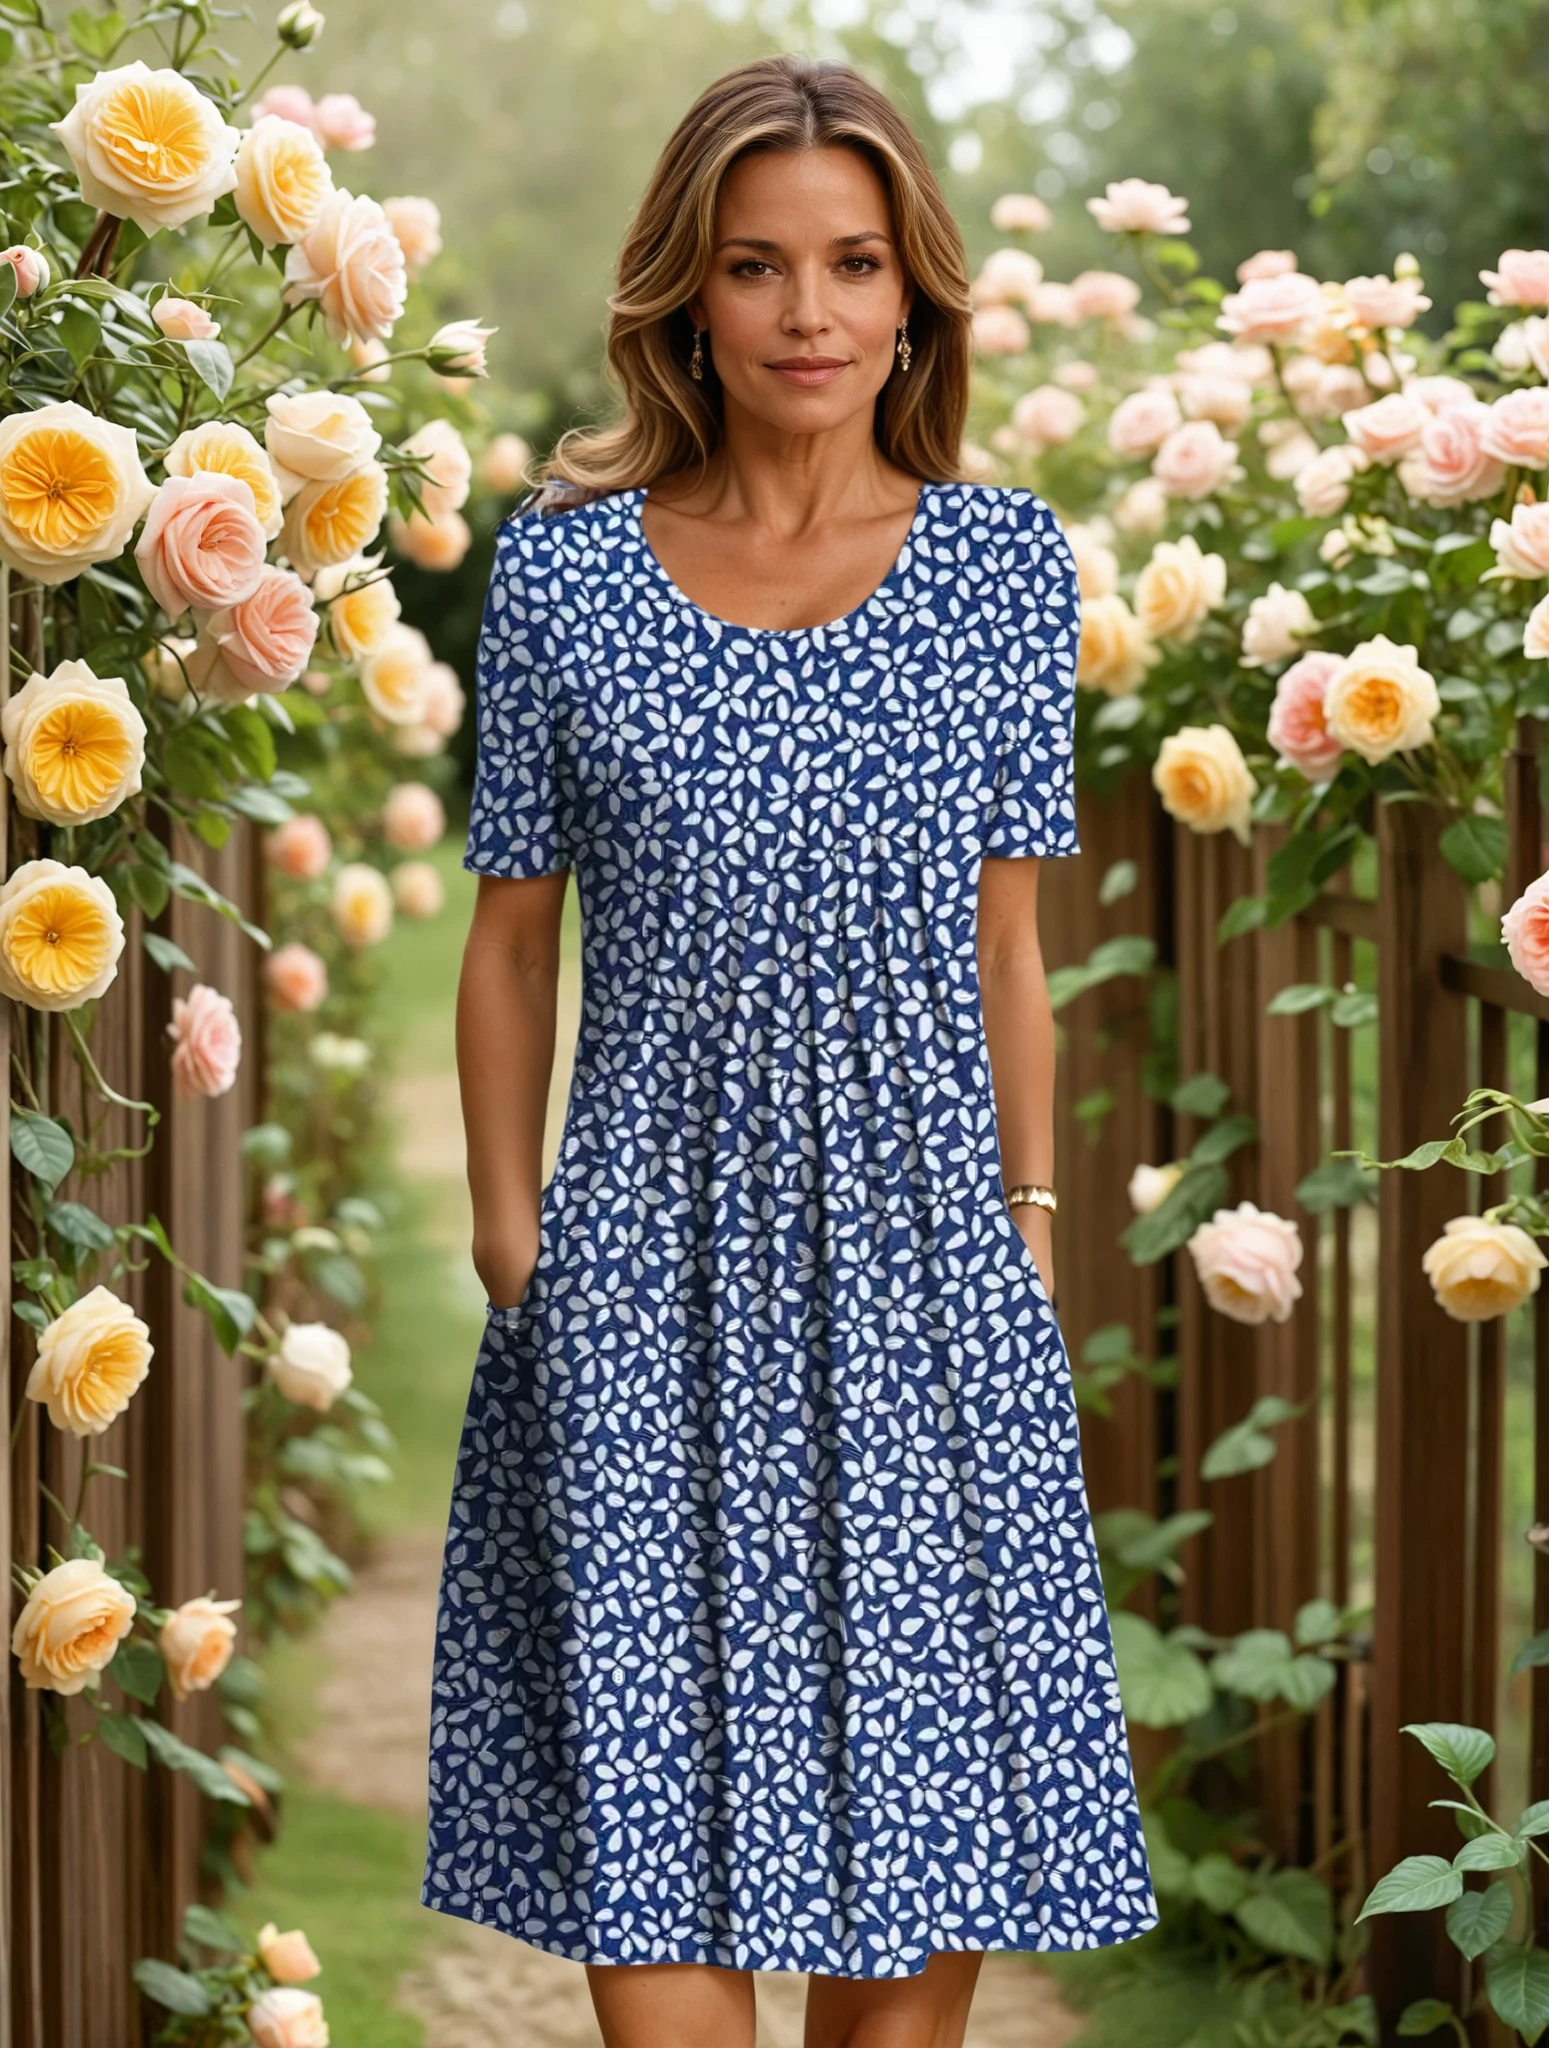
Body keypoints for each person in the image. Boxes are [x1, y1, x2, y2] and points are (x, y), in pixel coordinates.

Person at [421, 50, 1156, 2048]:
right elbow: (507, 946)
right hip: (639, 1268)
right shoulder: (565, 572)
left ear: (911, 289)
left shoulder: (1003, 568)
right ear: (692, 290)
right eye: (758, 266)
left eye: (849, 264)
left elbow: (1018, 946)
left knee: (916, 1878)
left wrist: (1017, 1226)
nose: (809, 312)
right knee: (649, 1841)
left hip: (926, 1267)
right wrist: (517, 1252)